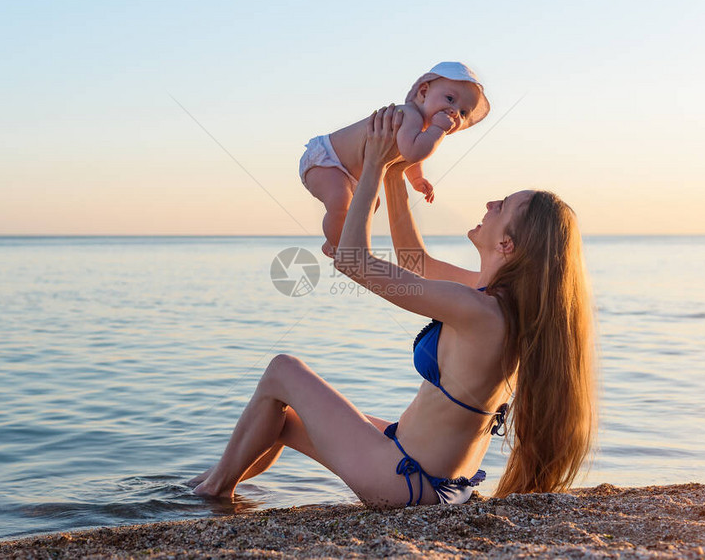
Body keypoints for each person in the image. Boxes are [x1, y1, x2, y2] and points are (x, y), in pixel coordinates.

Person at [189, 105, 595, 507]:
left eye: (501, 206)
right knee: (281, 418)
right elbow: (413, 259)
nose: (489, 204)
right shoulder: (497, 303)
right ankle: (208, 487)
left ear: (507, 245)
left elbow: (352, 260)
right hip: (436, 480)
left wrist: (371, 165)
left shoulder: (477, 310)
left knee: (283, 369)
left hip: (409, 483)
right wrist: (394, 172)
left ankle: (210, 493)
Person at [300, 62, 490, 257]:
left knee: (372, 204)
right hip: (326, 160)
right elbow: (413, 152)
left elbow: (410, 157)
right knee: (340, 203)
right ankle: (338, 246)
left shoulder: (419, 128)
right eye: (450, 99)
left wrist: (417, 179)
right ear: (423, 92)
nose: (454, 112)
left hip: (347, 173)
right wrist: (438, 130)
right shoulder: (408, 115)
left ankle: (333, 241)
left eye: (463, 113)